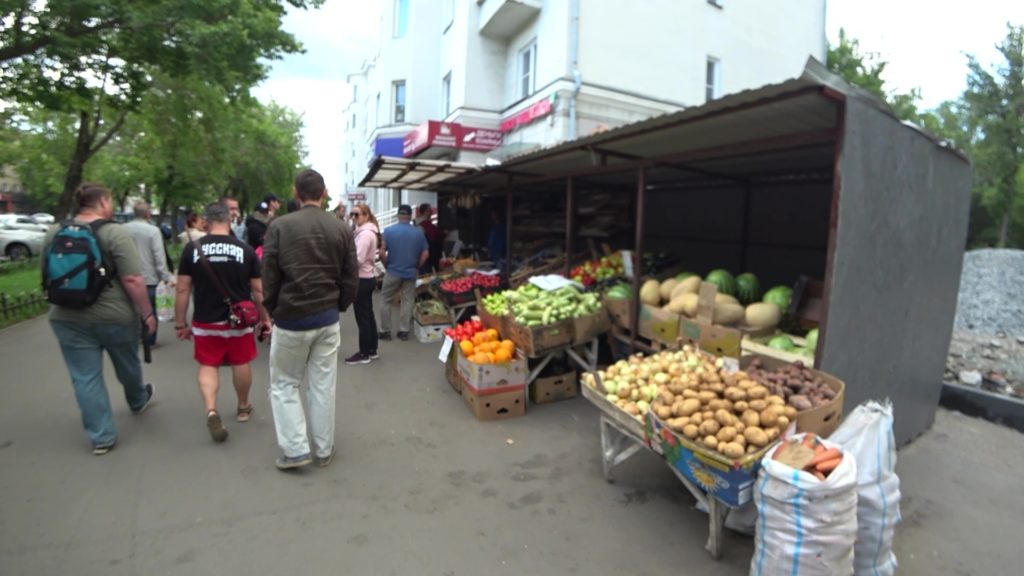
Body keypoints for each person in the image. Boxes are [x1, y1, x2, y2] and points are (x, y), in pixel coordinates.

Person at [46, 183, 157, 455]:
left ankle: (102, 437)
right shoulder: (113, 232)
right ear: (104, 202)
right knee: (127, 361)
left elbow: (46, 274)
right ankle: (137, 399)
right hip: (113, 316)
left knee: (85, 377)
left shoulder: (54, 231)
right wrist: (147, 313)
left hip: (66, 316)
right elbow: (132, 278)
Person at [262, 169, 358, 470]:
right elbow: (350, 276)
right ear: (324, 192)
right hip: (327, 319)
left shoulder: (279, 226)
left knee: (284, 384)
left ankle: (295, 450)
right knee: (322, 385)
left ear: (295, 193)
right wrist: (338, 305)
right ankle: (323, 449)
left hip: (291, 319)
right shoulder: (340, 228)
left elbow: (270, 276)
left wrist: (274, 309)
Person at [174, 202, 270, 443]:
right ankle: (243, 407)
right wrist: (265, 318)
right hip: (239, 321)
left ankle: (211, 409)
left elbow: (183, 288)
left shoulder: (192, 250)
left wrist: (180, 324)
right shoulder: (244, 249)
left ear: (206, 221)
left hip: (205, 320)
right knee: (240, 361)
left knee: (208, 365)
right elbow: (258, 290)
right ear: (229, 220)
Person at [123, 201, 175, 346]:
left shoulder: (122, 229)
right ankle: (150, 339)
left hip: (127, 275)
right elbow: (159, 255)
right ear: (148, 214)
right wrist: (165, 276)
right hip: (149, 278)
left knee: (130, 309)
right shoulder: (153, 231)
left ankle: (133, 336)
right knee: (150, 309)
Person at [378, 204, 428, 342]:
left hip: (392, 271)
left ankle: (385, 331)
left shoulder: (388, 231)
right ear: (410, 216)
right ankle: (403, 331)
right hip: (411, 272)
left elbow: (382, 252)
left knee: (385, 299)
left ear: (398, 216)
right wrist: (417, 265)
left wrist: (386, 265)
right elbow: (425, 253)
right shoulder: (418, 232)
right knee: (407, 300)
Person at [344, 204, 381, 365]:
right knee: (368, 315)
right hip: (367, 277)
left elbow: (357, 259)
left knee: (363, 317)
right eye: (352, 214)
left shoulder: (365, 234)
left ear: (366, 216)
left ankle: (364, 353)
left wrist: (344, 266)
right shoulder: (367, 232)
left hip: (362, 279)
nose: (353, 217)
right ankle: (371, 350)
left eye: (357, 214)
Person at [416, 203, 445, 274]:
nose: (431, 212)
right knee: (428, 273)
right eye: (429, 210)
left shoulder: (428, 224)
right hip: (429, 255)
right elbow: (432, 235)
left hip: (433, 255)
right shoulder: (422, 225)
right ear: (425, 212)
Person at [487, 208, 507, 273]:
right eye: (491, 214)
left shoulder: (502, 227)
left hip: (499, 253)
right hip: (494, 253)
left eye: (493, 214)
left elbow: (503, 241)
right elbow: (491, 239)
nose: (491, 216)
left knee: (500, 270)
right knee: (496, 270)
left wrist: (500, 250)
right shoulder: (494, 226)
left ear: (498, 215)